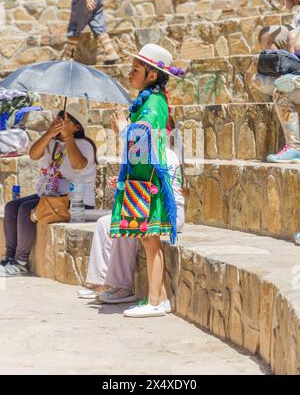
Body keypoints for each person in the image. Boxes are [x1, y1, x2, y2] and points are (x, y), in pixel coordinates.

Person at [104, 43, 185, 318]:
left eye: (135, 69)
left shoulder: (153, 104)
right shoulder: (148, 101)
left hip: (149, 180)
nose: (130, 73)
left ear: (151, 76)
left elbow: (142, 140)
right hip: (143, 179)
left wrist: (121, 130)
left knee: (152, 241)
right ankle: (158, 298)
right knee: (149, 240)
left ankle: (155, 302)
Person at [77, 144, 185, 304]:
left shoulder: (165, 156)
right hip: (147, 208)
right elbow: (138, 187)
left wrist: (125, 184)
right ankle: (100, 282)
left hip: (167, 214)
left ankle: (122, 287)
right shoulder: (143, 153)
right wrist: (121, 184)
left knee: (128, 224)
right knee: (103, 223)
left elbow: (154, 189)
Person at [0, 103, 97, 277]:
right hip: (49, 196)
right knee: (11, 207)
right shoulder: (52, 142)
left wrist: (68, 139)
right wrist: (49, 133)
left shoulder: (84, 145)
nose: (60, 122)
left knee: (26, 210)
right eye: (59, 118)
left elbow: (78, 165)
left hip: (74, 202)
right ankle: (9, 258)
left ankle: (21, 262)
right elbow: (33, 154)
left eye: (66, 120)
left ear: (76, 127)